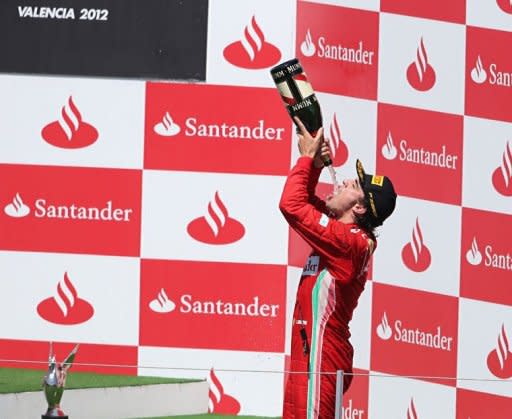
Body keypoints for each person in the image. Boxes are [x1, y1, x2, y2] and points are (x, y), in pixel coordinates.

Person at [280, 117, 397, 418]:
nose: (343, 181)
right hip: (311, 354)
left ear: (358, 208)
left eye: (353, 185)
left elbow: (291, 205)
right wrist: (315, 164)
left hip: (321, 358)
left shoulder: (351, 243)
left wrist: (307, 159)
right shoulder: (342, 234)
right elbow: (304, 202)